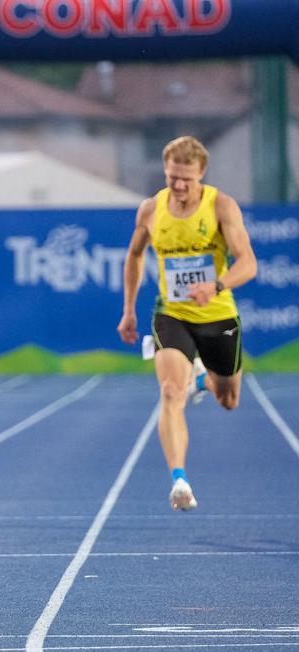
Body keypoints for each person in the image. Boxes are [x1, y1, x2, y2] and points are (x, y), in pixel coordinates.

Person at [118, 136, 257, 512]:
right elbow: (133, 256)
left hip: (218, 315)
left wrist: (216, 285)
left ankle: (202, 379)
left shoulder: (220, 206)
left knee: (228, 399)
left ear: (202, 175)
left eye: (186, 179)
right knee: (168, 391)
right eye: (171, 177)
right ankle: (179, 480)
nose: (178, 186)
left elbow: (248, 262)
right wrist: (129, 310)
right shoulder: (150, 209)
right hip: (172, 313)